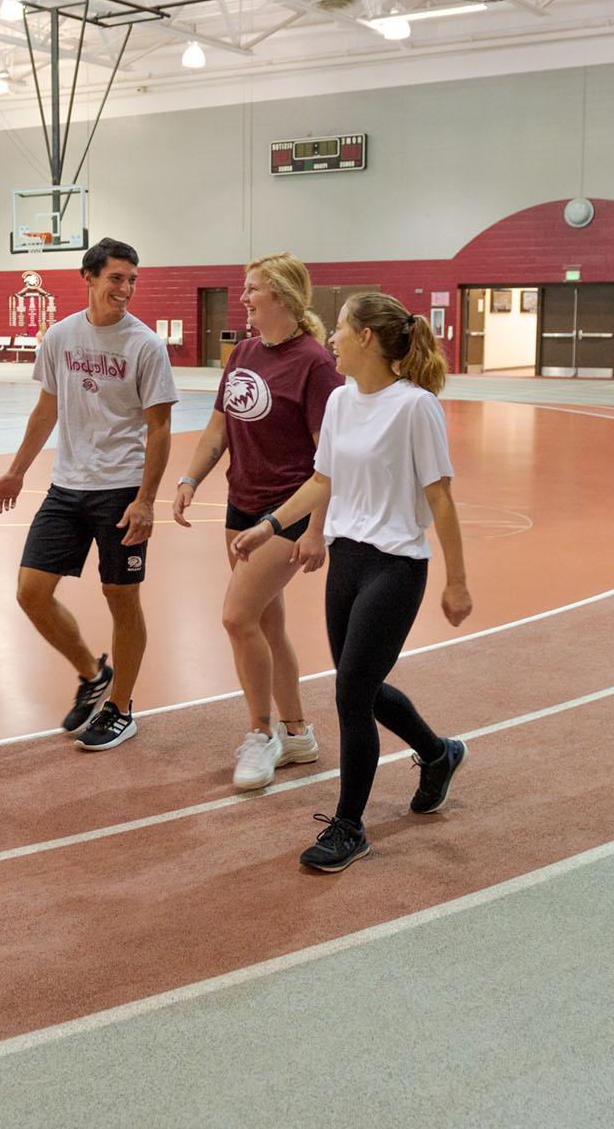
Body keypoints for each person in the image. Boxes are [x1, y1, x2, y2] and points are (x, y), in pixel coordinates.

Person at [232, 292, 472, 872]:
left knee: (350, 695)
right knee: (358, 685)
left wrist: (456, 582)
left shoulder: (416, 407)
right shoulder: (340, 401)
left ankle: (349, 826)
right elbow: (322, 481)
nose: (331, 337)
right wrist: (270, 526)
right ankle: (438, 754)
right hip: (348, 560)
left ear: (366, 337)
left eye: (340, 328)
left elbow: (439, 496)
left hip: (396, 565)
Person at [0, 238, 178, 751]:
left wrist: (146, 500)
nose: (126, 289)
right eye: (116, 278)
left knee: (121, 597)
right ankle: (94, 675)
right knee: (30, 592)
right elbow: (46, 408)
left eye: (132, 280)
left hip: (120, 489)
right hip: (67, 487)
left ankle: (122, 709)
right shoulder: (60, 336)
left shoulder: (145, 345)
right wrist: (16, 471)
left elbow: (159, 430)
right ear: (89, 277)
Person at [172, 253, 341, 789]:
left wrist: (314, 529)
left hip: (285, 513)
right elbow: (217, 431)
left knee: (235, 617)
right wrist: (189, 480)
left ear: (284, 298)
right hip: (240, 506)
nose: (242, 298)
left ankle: (259, 733)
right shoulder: (243, 352)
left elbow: (329, 460)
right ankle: (297, 734)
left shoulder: (315, 364)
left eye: (252, 290)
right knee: (268, 622)